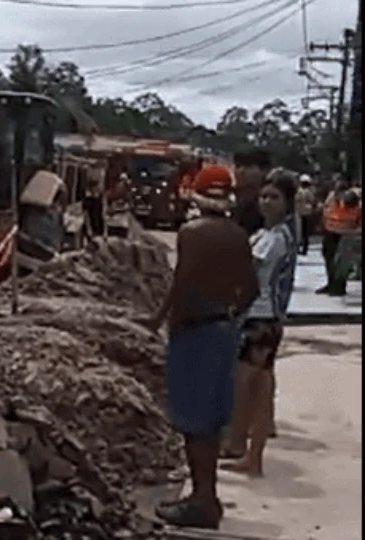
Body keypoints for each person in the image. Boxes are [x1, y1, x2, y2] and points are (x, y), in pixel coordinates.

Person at [141, 165, 258, 530]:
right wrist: (230, 314)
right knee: (211, 420)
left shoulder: (192, 233)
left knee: (193, 422)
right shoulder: (238, 235)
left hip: (195, 333)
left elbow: (183, 283)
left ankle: (202, 501)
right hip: (225, 331)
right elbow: (251, 289)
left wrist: (164, 324)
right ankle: (208, 496)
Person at [219, 170, 298, 478]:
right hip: (263, 318)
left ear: (287, 204)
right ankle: (252, 457)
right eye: (264, 196)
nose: (266, 202)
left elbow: (248, 271)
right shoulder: (266, 235)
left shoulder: (275, 239)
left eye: (274, 197)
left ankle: (241, 448)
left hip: (260, 319)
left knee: (246, 387)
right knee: (260, 392)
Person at [317, 176, 361, 296]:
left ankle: (339, 287)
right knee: (329, 258)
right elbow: (326, 211)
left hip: (346, 234)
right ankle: (331, 283)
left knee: (340, 261)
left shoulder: (354, 200)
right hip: (330, 232)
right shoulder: (331, 198)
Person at [232, 149, 273, 237]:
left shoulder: (271, 202)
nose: (241, 171)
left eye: (248, 166)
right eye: (238, 166)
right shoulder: (232, 198)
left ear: (265, 170)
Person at [295, 174, 317, 255]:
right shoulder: (301, 191)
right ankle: (301, 248)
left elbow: (312, 201)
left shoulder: (307, 191)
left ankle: (304, 248)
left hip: (304, 213)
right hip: (301, 213)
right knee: (301, 232)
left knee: (304, 232)